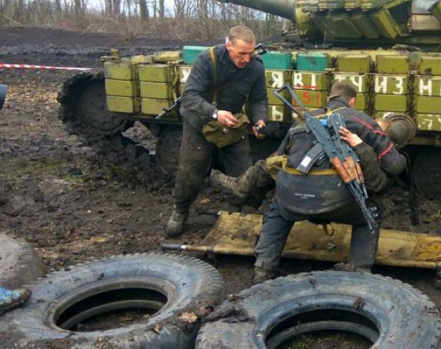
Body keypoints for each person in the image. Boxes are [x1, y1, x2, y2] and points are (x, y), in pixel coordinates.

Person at [247, 81, 406, 283]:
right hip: (339, 200)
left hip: (292, 198)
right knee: (371, 211)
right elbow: (394, 164)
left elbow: (276, 160)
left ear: (328, 99)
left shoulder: (303, 121)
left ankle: (263, 268)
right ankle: (358, 271)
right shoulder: (360, 120)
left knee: (277, 209)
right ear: (352, 101)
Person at [166, 25, 268, 237]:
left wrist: (260, 119)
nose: (247, 59)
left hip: (232, 125)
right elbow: (190, 96)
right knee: (190, 173)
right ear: (228, 46)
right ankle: (180, 210)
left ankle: (235, 214)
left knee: (244, 175)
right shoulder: (207, 60)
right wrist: (215, 113)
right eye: (242, 54)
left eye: (251, 54)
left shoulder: (256, 67)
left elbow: (259, 99)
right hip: (200, 123)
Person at [210, 114, 416, 208]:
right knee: (280, 163)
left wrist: (362, 148)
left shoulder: (379, 161)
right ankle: (249, 193)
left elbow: (376, 183)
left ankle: (246, 190)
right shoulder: (380, 153)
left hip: (337, 192)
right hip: (332, 184)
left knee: (280, 166)